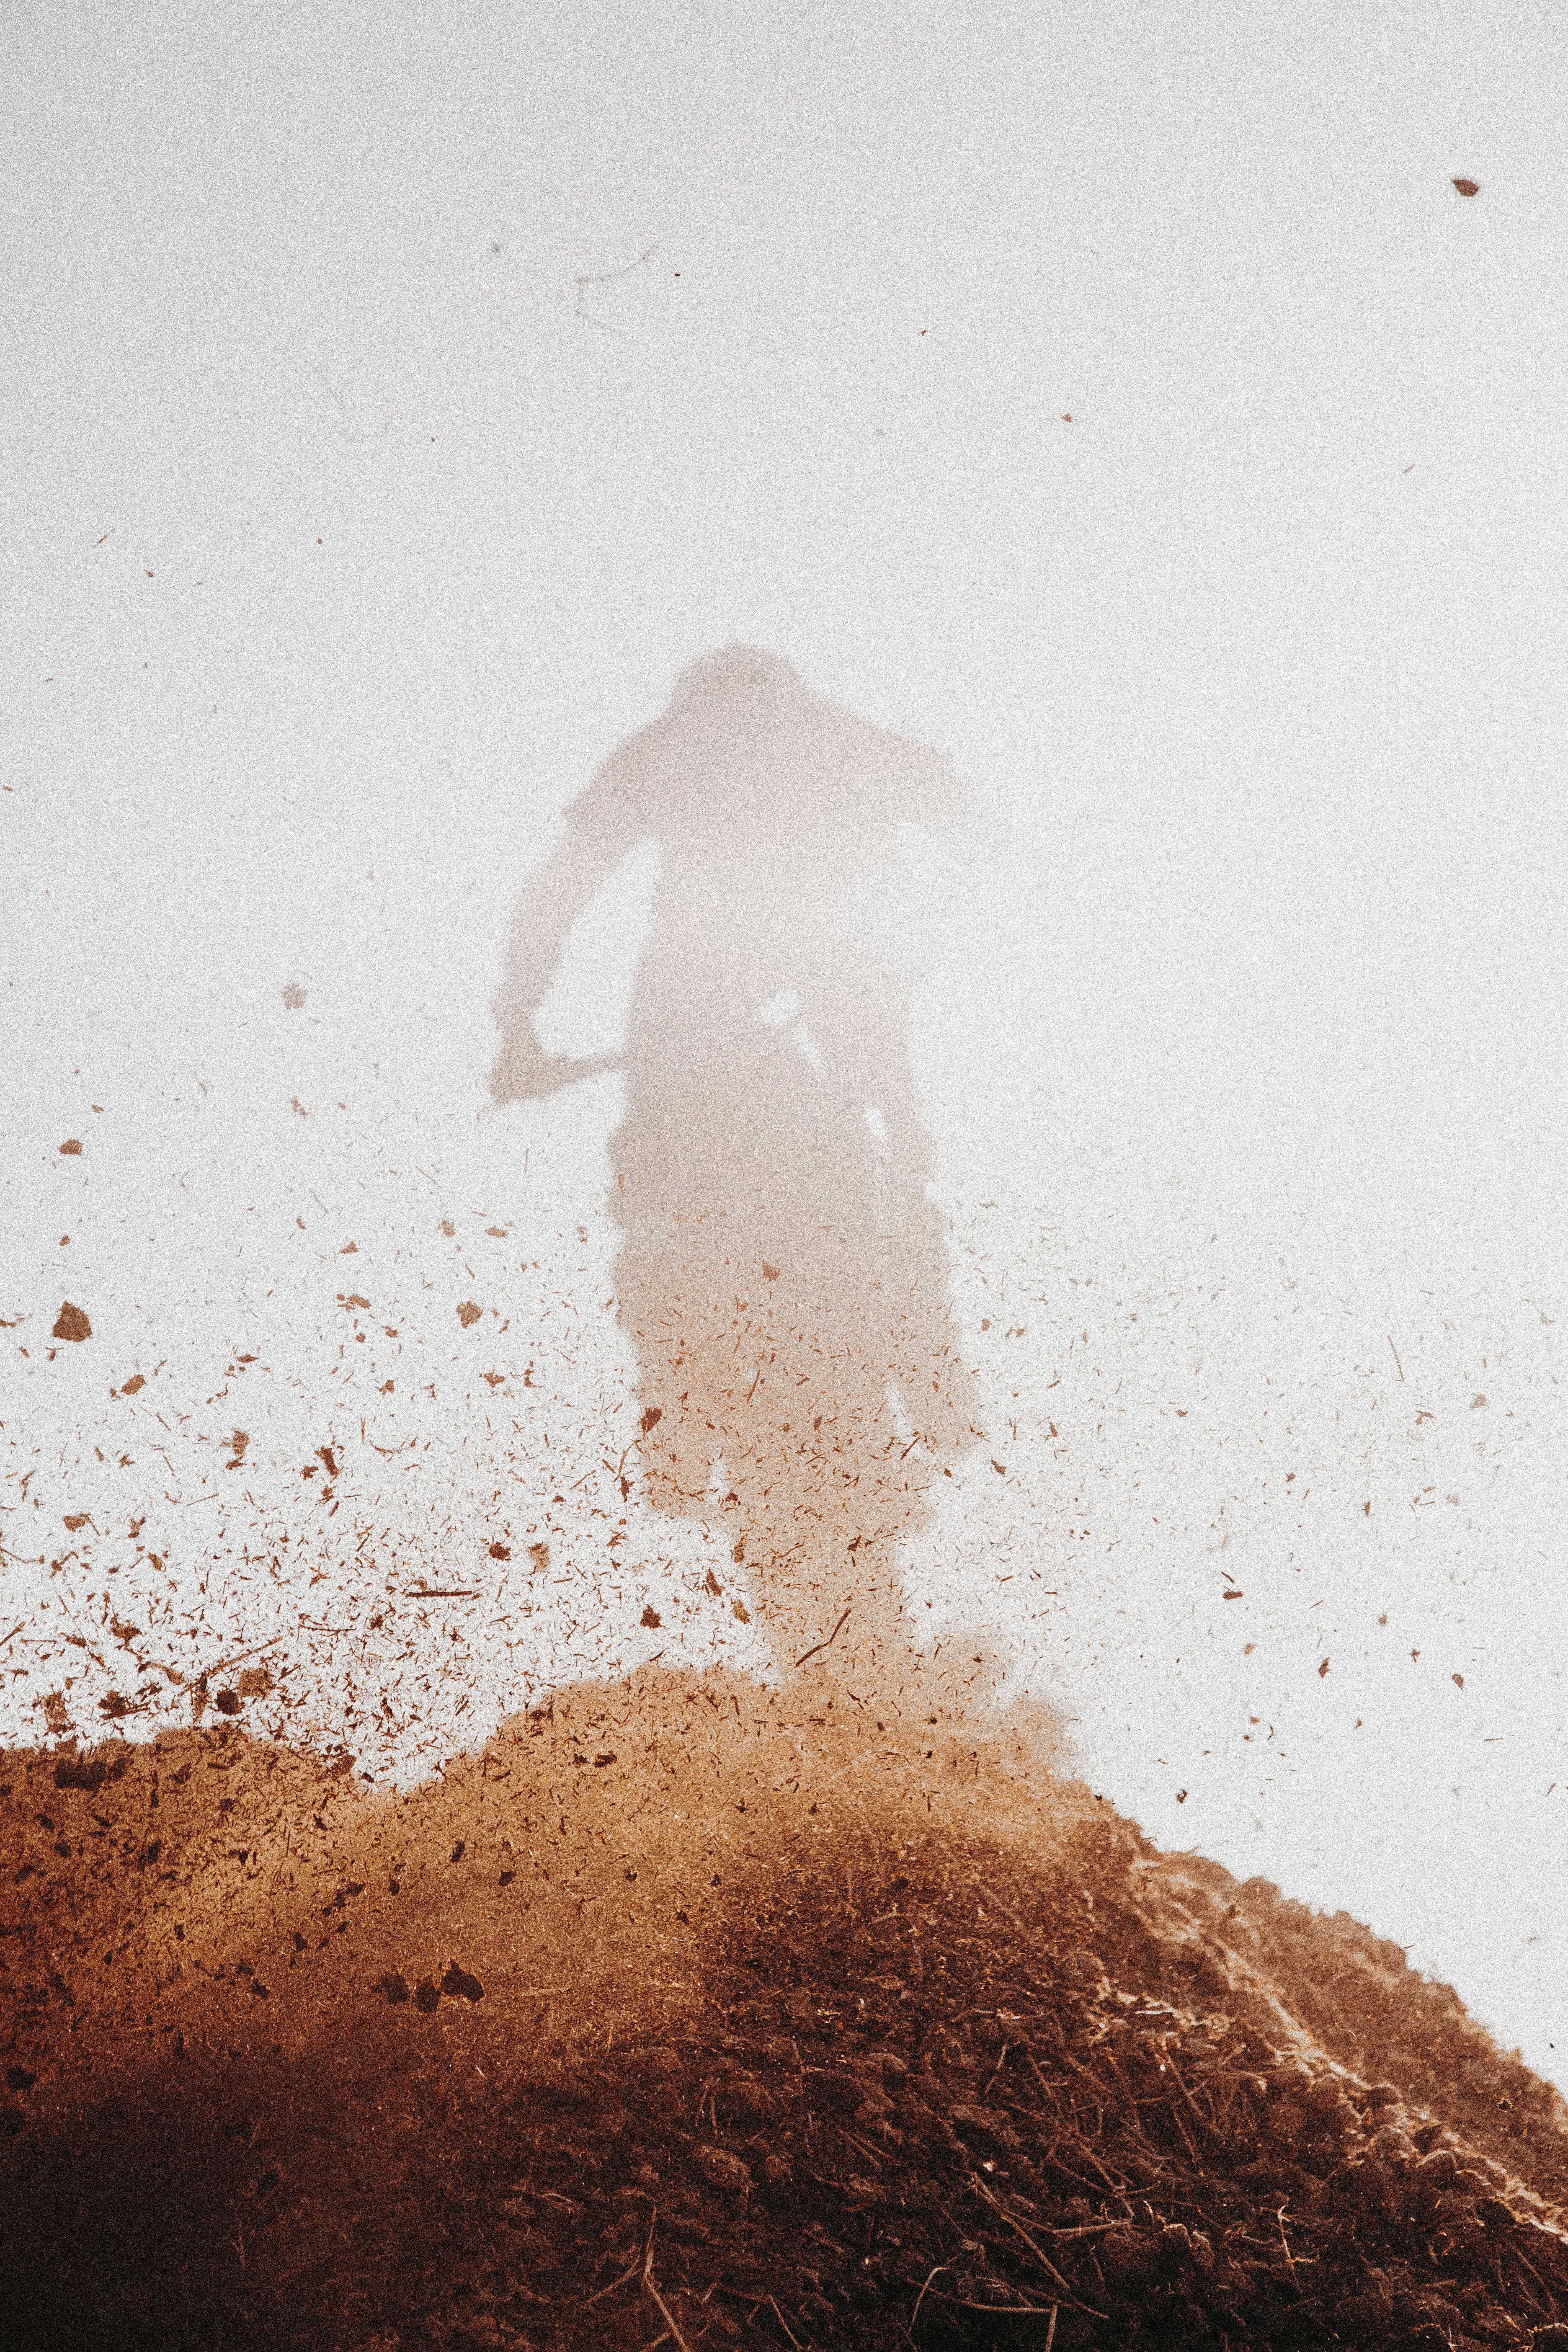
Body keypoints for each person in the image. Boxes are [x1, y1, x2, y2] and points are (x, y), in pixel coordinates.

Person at [490, 645, 1005, 1687]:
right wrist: (919, 931)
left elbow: (560, 886)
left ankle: (680, 1425)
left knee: (672, 1231)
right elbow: (984, 835)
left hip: (694, 1049)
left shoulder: (677, 743)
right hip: (843, 1042)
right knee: (892, 1192)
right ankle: (936, 1394)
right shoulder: (851, 737)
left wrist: (518, 1023)